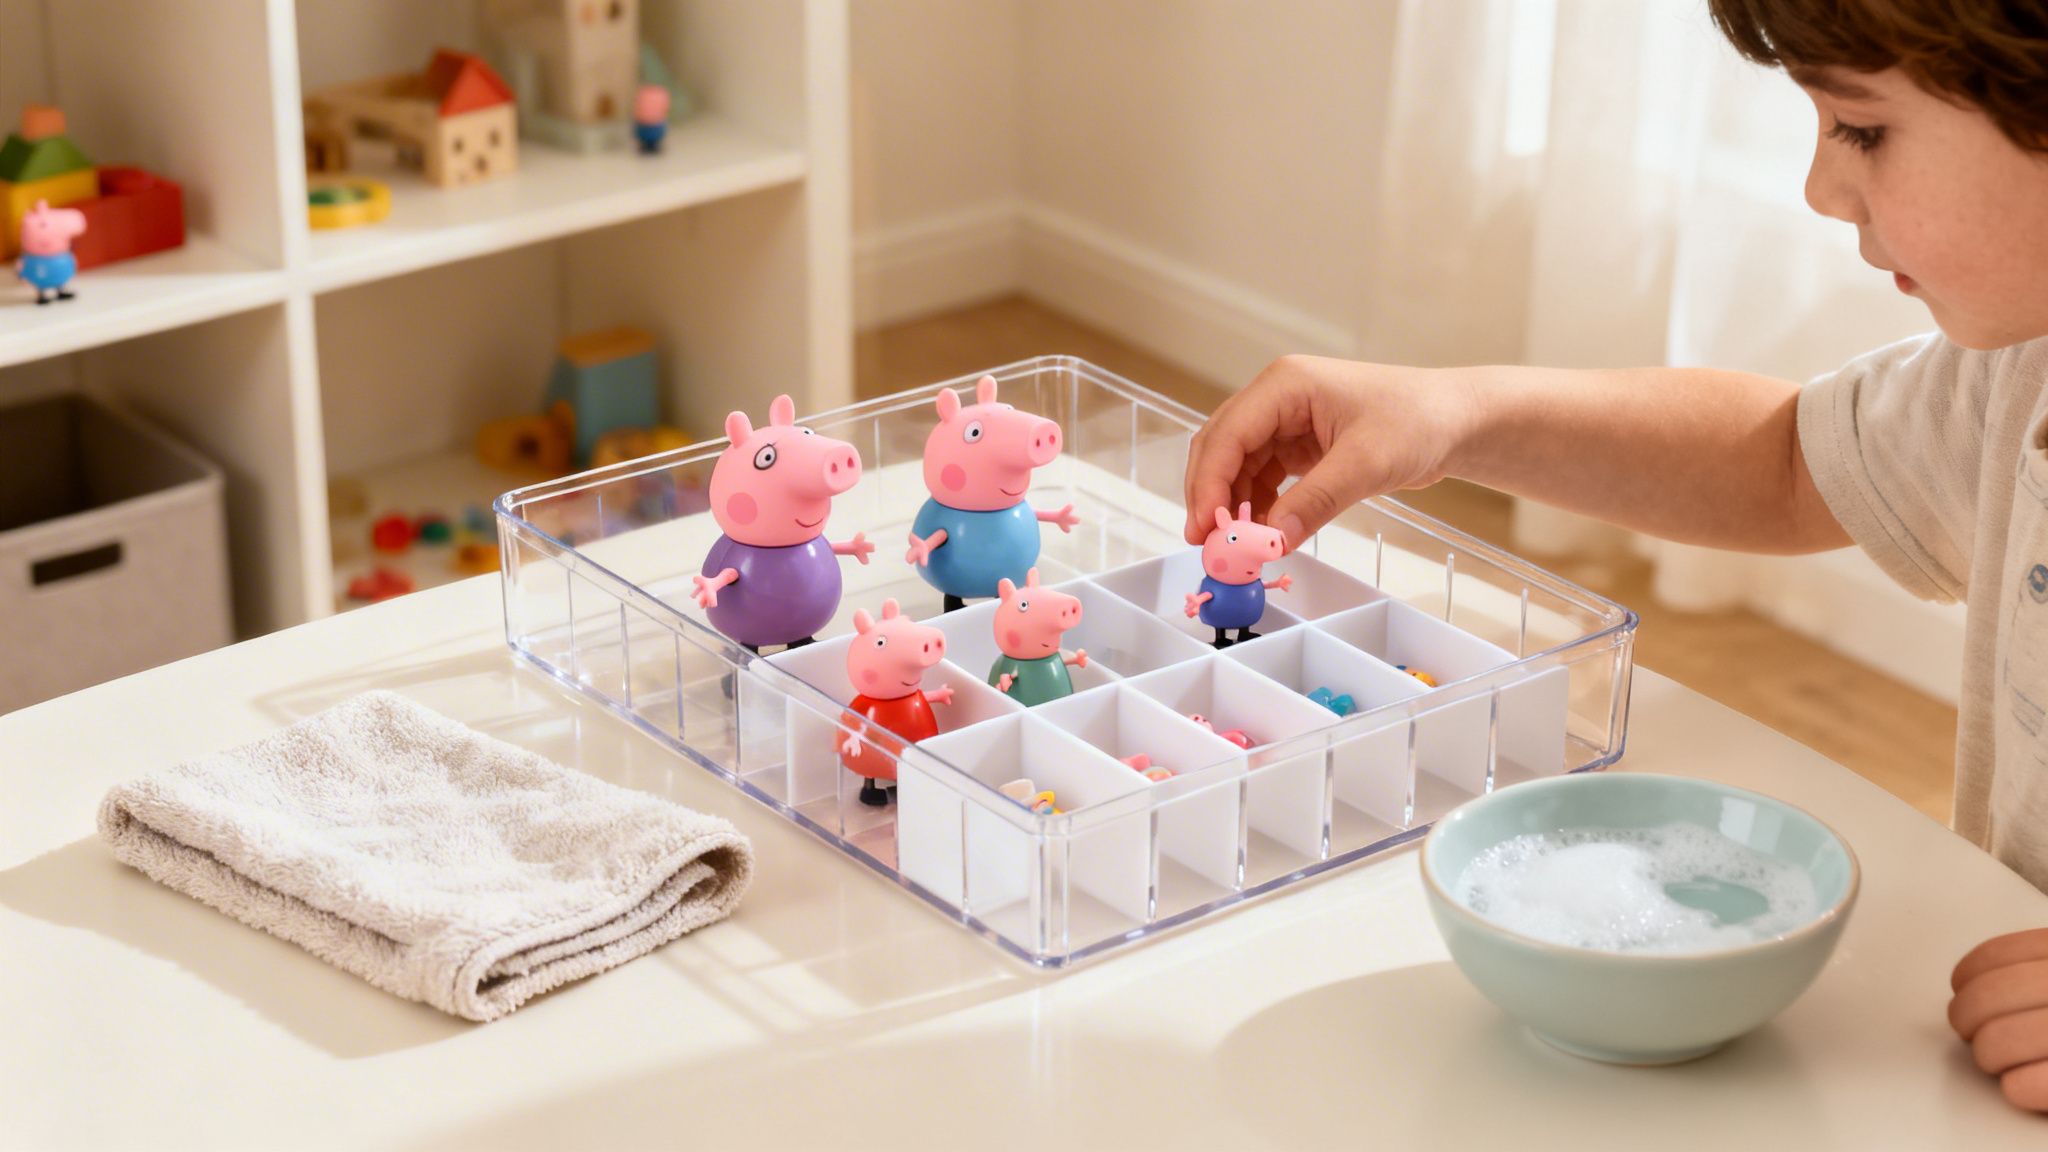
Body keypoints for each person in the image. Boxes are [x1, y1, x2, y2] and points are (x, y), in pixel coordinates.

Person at [1182, 0, 2048, 1112]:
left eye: (1862, 129)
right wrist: (1446, 414)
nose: (1820, 189)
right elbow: (1789, 464)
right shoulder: (2016, 375)